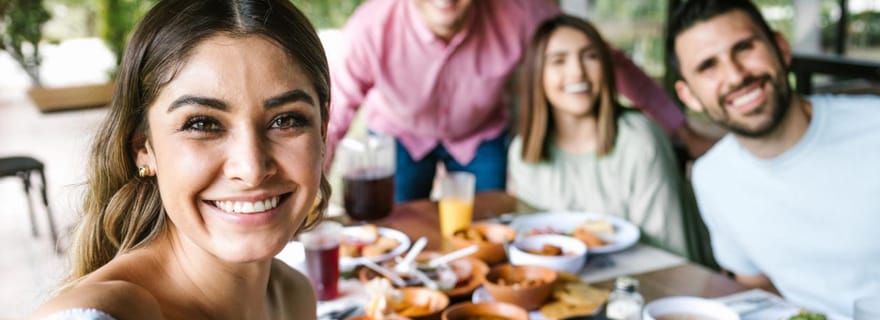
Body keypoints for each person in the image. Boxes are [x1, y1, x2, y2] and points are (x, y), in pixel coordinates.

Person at [31, 0, 331, 319]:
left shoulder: (295, 294)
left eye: (285, 120)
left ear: (323, 129)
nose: (252, 169)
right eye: (202, 124)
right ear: (143, 147)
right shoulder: (106, 312)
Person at [327, 0, 716, 202]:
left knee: (492, 230)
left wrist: (681, 130)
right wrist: (311, 189)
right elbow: (337, 110)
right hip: (400, 132)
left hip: (481, 136)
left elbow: (606, 58)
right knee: (394, 232)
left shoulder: (522, 13)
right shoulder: (370, 26)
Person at [668, 0, 880, 317]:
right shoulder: (711, 178)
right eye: (708, 66)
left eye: (744, 47)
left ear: (780, 48)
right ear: (689, 96)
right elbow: (758, 288)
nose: (736, 75)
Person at [508, 15, 688, 257]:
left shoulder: (639, 140)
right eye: (558, 61)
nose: (577, 72)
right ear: (536, 76)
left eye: (590, 56)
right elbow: (534, 245)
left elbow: (669, 253)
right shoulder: (523, 153)